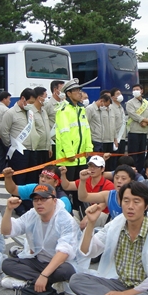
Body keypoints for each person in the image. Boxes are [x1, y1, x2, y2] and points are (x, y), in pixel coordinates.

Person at [0, 184, 85, 291]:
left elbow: (64, 252)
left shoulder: (65, 219)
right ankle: (42, 283)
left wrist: (44, 275)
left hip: (60, 263)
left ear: (54, 201)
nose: (39, 203)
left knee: (66, 271)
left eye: (44, 199)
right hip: (39, 261)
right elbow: (6, 231)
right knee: (7, 264)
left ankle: (30, 281)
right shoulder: (32, 214)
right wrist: (9, 210)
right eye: (36, 199)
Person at [0, 87, 41, 216]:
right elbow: (4, 132)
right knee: (19, 179)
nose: (31, 105)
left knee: (31, 179)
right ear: (23, 99)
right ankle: (18, 205)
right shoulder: (10, 113)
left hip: (32, 150)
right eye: (30, 102)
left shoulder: (30, 113)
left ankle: (29, 203)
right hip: (18, 151)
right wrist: (11, 146)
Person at [56, 79, 94, 211]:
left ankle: (80, 212)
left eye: (79, 90)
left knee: (80, 188)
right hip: (68, 159)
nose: (79, 93)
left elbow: (86, 130)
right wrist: (70, 153)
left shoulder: (81, 109)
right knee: (65, 190)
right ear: (68, 93)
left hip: (81, 158)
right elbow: (64, 133)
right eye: (76, 91)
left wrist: (89, 148)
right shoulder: (63, 110)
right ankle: (66, 212)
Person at [60, 155, 114, 228]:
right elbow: (67, 186)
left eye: (95, 166)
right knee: (66, 216)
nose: (92, 169)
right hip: (84, 212)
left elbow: (101, 206)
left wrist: (87, 217)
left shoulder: (109, 185)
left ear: (102, 169)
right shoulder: (85, 180)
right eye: (90, 166)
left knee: (92, 220)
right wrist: (63, 174)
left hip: (101, 214)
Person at [127, 84, 148, 174]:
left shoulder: (146, 103)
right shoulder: (130, 103)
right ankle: (132, 172)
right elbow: (132, 114)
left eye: (137, 89)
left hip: (144, 131)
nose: (135, 91)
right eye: (134, 89)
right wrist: (142, 120)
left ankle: (140, 171)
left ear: (142, 91)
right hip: (134, 131)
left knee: (142, 154)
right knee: (133, 154)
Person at [85, 94, 117, 171]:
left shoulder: (100, 110)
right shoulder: (90, 109)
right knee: (94, 162)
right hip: (94, 139)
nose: (106, 108)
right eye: (106, 105)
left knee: (101, 162)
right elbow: (86, 124)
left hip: (101, 140)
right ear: (101, 101)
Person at [29, 86, 52, 184]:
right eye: (45, 96)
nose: (47, 99)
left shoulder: (44, 111)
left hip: (45, 149)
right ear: (39, 98)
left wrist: (49, 146)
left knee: (45, 176)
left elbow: (47, 129)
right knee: (35, 176)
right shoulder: (31, 111)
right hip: (36, 149)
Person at [43, 80, 66, 160]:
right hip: (53, 140)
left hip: (64, 139)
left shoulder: (65, 104)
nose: (64, 92)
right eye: (62, 89)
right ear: (55, 90)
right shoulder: (48, 105)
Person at [0, 91, 12, 175]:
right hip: (4, 136)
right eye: (9, 99)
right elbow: (4, 125)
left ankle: (1, 174)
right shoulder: (6, 110)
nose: (10, 101)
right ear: (4, 99)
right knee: (10, 156)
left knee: (1, 157)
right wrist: (0, 134)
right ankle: (8, 173)